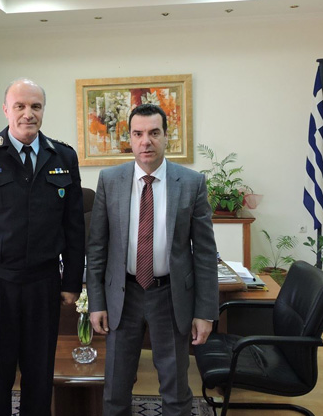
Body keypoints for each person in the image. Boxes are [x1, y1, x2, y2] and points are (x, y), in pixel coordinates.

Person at [0, 78, 85, 416]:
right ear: (6, 110)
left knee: (40, 376)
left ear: (43, 110)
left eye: (36, 106)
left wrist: (72, 282)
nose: (29, 114)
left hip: (44, 285)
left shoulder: (63, 156)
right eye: (20, 106)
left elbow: (74, 226)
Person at [86, 103, 218, 416]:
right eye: (138, 134)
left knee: (175, 387)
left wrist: (205, 312)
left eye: (154, 133)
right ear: (129, 139)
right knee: (116, 387)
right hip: (123, 295)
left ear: (167, 137)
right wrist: (96, 302)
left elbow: (204, 252)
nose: (146, 141)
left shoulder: (191, 183)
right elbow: (97, 247)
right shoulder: (109, 180)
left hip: (170, 295)